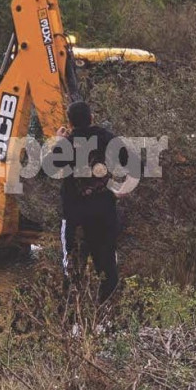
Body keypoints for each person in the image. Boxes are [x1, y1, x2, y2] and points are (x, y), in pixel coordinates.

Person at [54, 101, 128, 303]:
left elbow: (52, 166)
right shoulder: (107, 138)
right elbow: (134, 163)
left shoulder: (68, 143)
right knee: (107, 268)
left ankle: (73, 314)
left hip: (75, 217)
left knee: (72, 268)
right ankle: (108, 313)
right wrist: (123, 189)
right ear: (92, 118)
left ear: (70, 122)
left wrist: (58, 141)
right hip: (104, 214)